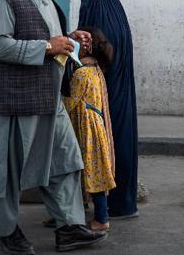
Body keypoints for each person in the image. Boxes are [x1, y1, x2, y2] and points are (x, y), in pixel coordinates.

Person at [0, 0, 106, 253]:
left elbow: (48, 39)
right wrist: (47, 46)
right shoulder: (4, 0)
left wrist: (69, 38)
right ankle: (8, 231)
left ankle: (69, 227)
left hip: (50, 99)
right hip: (17, 102)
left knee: (66, 161)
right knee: (9, 171)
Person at [78, 0, 139, 218]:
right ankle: (123, 202)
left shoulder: (98, 29)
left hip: (102, 98)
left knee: (104, 147)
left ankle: (106, 207)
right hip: (123, 94)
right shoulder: (118, 19)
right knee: (123, 142)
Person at [63, 26, 116, 231]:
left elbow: (70, 103)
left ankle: (101, 219)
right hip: (93, 127)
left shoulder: (82, 73)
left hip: (86, 130)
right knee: (93, 172)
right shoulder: (95, 69)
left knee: (92, 173)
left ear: (85, 47)